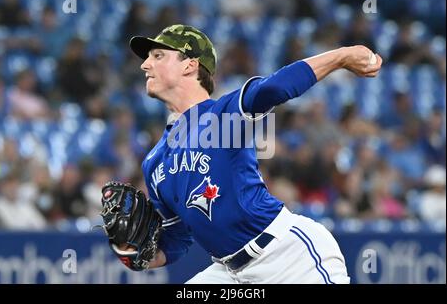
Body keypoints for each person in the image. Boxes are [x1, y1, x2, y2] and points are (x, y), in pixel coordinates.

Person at [114, 24, 382, 283]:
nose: (145, 64)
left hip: (287, 257)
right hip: (228, 272)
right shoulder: (154, 161)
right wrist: (140, 256)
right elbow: (176, 239)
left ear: (190, 65)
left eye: (158, 55)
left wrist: (342, 55)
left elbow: (273, 89)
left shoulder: (224, 116)